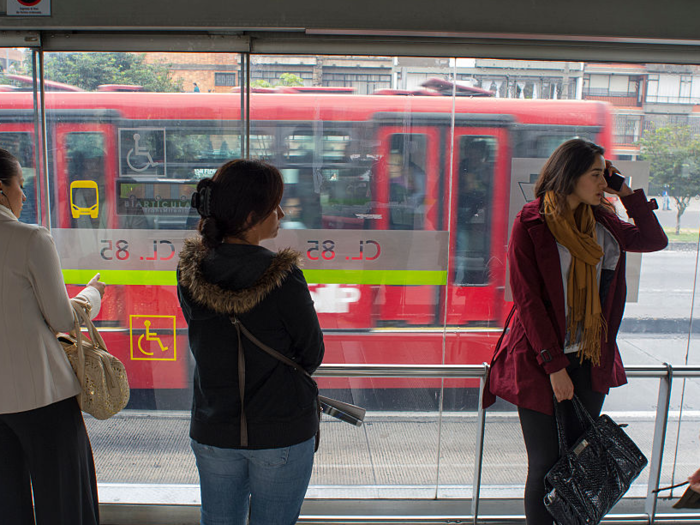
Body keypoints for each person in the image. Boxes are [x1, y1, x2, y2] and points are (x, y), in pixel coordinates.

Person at [484, 139, 668, 524]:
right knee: (546, 466)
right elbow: (528, 300)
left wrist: (628, 193)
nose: (605, 182)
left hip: (589, 358)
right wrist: (554, 367)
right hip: (540, 360)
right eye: (597, 174)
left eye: (606, 174)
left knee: (579, 464)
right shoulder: (531, 222)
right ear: (571, 175)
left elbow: (654, 241)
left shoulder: (602, 221)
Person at [177, 159, 325, 525]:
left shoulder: (189, 271)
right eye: (274, 205)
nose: (281, 212)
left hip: (214, 427)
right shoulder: (284, 276)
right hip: (282, 430)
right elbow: (311, 353)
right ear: (249, 217)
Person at [0, 148, 106, 524]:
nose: (23, 196)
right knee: (64, 501)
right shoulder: (29, 238)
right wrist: (92, 294)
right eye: (19, 185)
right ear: (1, 188)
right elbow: (61, 317)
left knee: (7, 504)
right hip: (41, 396)